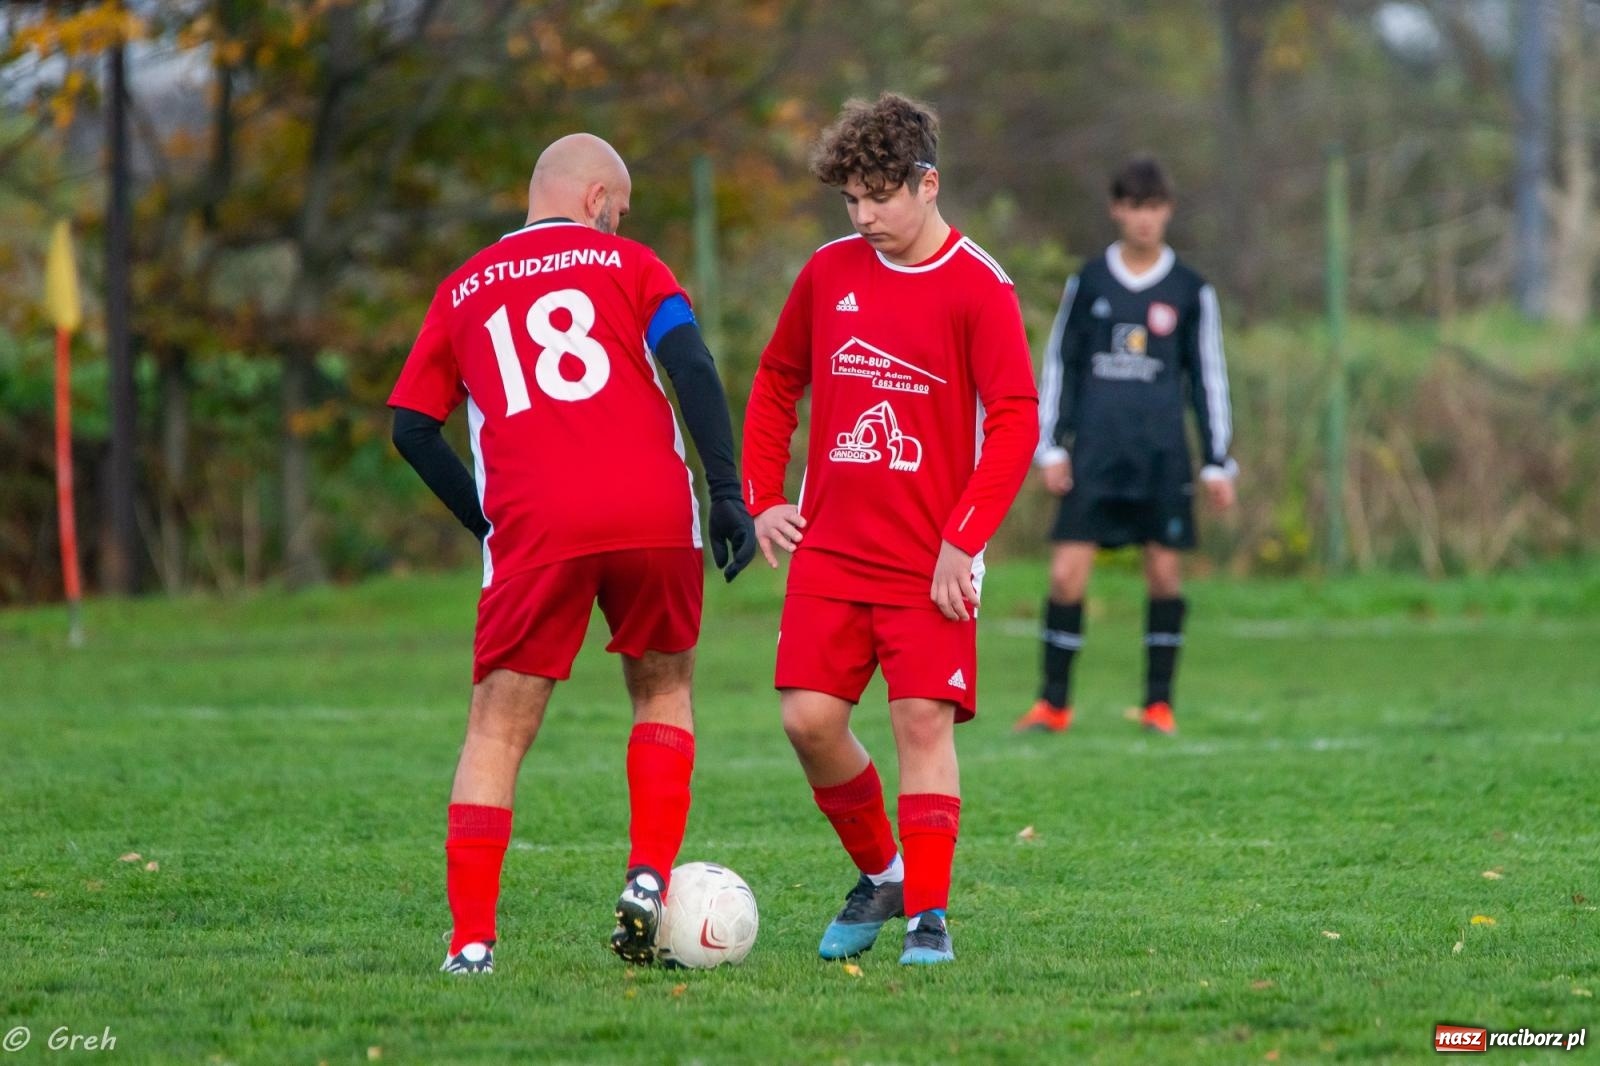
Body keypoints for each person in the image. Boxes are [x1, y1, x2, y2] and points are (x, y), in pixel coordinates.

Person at [388, 133, 756, 974]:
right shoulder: (632, 268)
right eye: (619, 213)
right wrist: (727, 490)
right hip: (654, 511)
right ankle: (648, 875)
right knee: (663, 689)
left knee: (497, 730)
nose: (621, 228)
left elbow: (412, 427)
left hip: (538, 523)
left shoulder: (461, 290)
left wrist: (488, 523)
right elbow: (690, 363)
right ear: (595, 200)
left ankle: (472, 943)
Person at [742, 93, 1037, 966]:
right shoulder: (828, 274)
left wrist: (965, 537)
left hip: (928, 559)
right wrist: (762, 494)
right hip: (830, 549)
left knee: (921, 724)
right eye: (850, 201)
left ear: (926, 183)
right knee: (806, 720)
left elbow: (1015, 418)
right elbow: (775, 380)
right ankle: (886, 871)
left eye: (878, 196)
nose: (863, 216)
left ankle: (928, 919)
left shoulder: (981, 287)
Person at [1015, 155, 1236, 738]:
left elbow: (1208, 378)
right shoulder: (1088, 283)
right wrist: (1052, 448)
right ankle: (1052, 704)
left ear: (1168, 211)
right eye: (1134, 207)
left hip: (1162, 459)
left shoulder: (1191, 290)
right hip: (1093, 457)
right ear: (1117, 209)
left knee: (1164, 576)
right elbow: (1060, 364)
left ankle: (1158, 704)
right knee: (1065, 576)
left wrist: (1217, 460)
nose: (1144, 219)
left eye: (1155, 207)